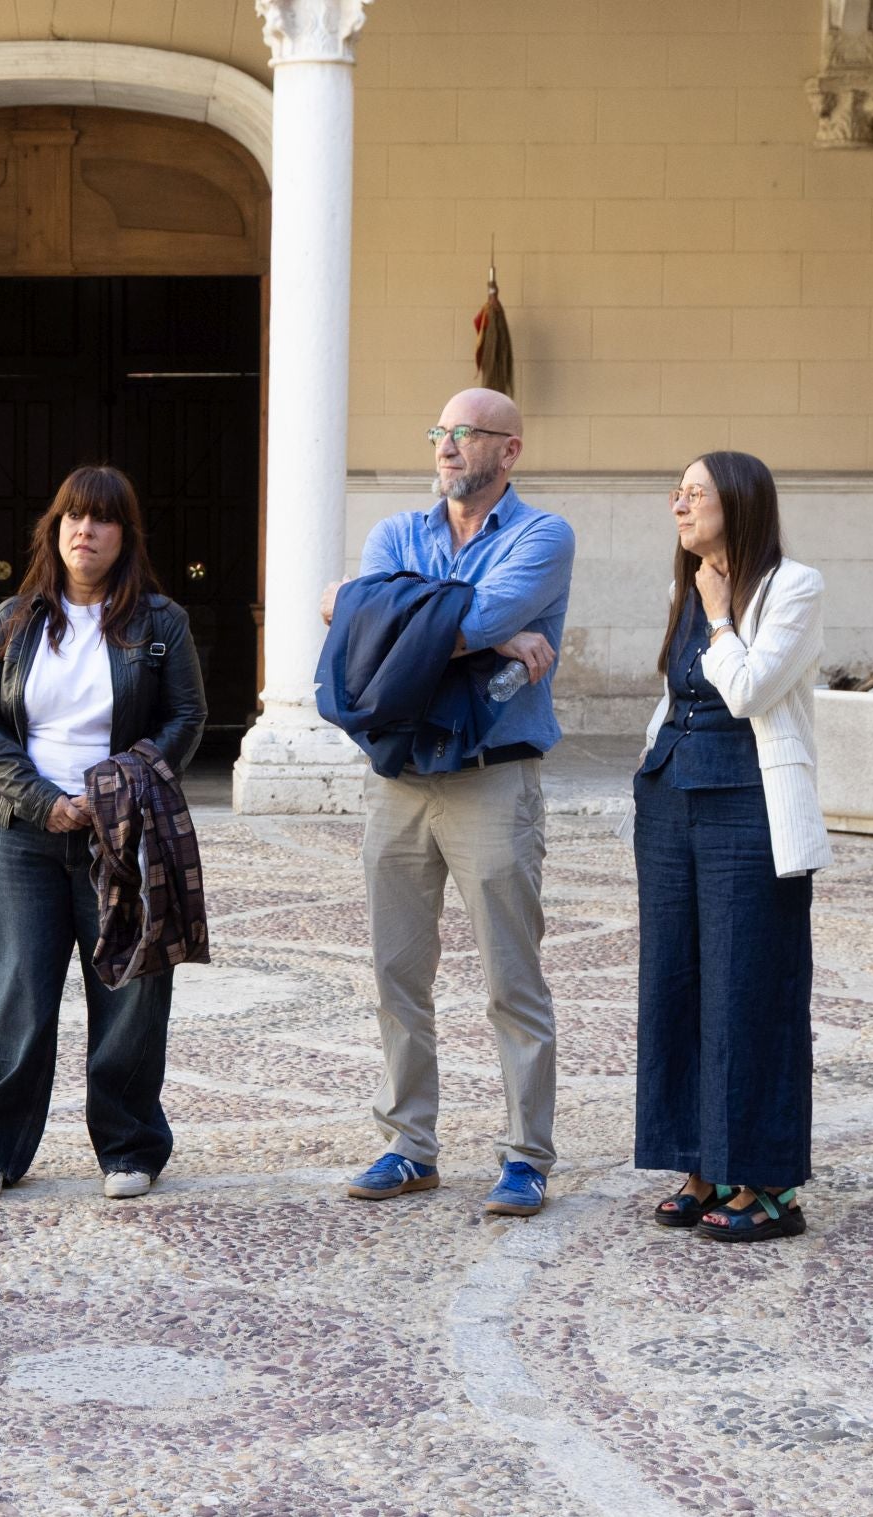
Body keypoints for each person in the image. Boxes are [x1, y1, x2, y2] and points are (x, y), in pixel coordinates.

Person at [321, 388, 574, 1218]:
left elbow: (395, 614)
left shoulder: (543, 535)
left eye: (466, 433)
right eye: (439, 432)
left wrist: (433, 619)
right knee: (397, 969)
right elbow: (348, 620)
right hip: (397, 778)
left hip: (492, 777)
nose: (446, 446)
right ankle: (409, 1145)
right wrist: (490, 632)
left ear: (510, 450)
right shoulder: (397, 531)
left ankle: (526, 1156)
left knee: (510, 975)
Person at [0, 465, 206, 1202]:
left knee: (129, 992)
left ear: (124, 536)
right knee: (13, 997)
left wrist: (117, 790)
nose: (83, 531)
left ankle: (129, 1147)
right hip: (21, 839)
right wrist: (42, 801)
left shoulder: (161, 624)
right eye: (71, 517)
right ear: (54, 528)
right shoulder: (15, 618)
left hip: (123, 841)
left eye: (100, 520)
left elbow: (186, 721)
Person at [633, 452, 829, 1243]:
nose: (678, 505)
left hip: (749, 808)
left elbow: (747, 690)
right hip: (671, 801)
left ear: (738, 503)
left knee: (751, 987)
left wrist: (718, 612)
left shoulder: (793, 587)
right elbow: (675, 695)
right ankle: (702, 1160)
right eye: (674, 492)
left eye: (694, 494)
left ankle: (770, 1182)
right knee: (676, 984)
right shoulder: (688, 586)